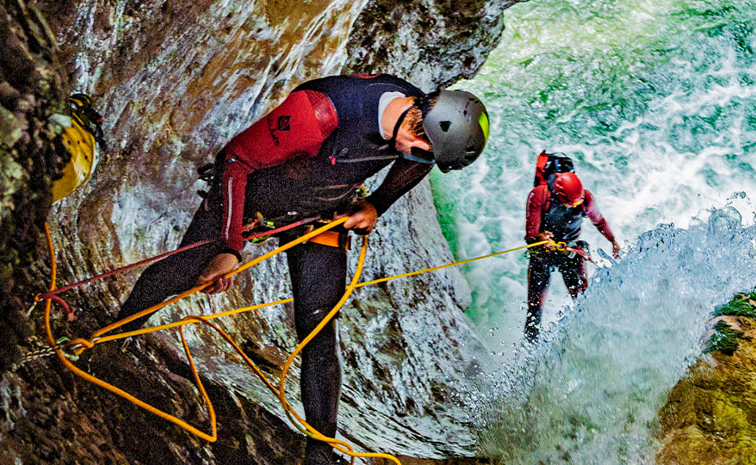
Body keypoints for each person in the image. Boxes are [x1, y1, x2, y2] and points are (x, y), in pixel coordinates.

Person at [114, 73, 488, 465]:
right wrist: (229, 248)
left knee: (319, 328)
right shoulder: (320, 113)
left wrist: (377, 204)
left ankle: (320, 453)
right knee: (181, 273)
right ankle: (112, 337)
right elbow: (236, 162)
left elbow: (416, 163)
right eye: (424, 152)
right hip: (249, 202)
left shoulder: (419, 122)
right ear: (417, 123)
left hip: (321, 214)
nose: (421, 160)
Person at [523, 153, 619, 342]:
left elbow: (599, 221)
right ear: (560, 196)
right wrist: (540, 238)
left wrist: (613, 241)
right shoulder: (539, 195)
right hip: (543, 254)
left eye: (577, 203)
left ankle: (593, 339)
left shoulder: (585, 199)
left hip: (570, 252)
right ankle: (529, 346)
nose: (574, 206)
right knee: (534, 308)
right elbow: (530, 233)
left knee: (583, 301)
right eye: (571, 203)